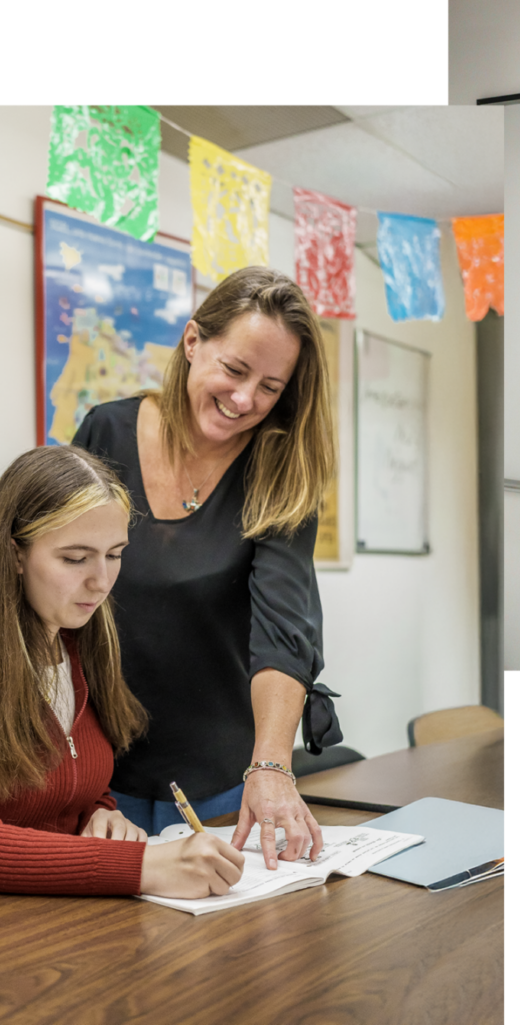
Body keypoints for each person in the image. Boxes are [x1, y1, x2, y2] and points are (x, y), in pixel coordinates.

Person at [0, 445, 245, 897]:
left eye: (114, 554)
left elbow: (71, 782)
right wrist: (138, 866)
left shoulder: (82, 640)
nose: (101, 580)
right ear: (15, 554)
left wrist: (100, 813)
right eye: (75, 559)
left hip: (51, 915)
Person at [72, 266, 339, 865]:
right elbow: (48, 593)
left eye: (271, 387)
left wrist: (271, 766)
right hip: (93, 766)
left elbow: (283, 633)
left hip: (219, 772)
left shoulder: (280, 472)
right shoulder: (104, 432)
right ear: (193, 342)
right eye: (235, 370)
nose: (245, 400)